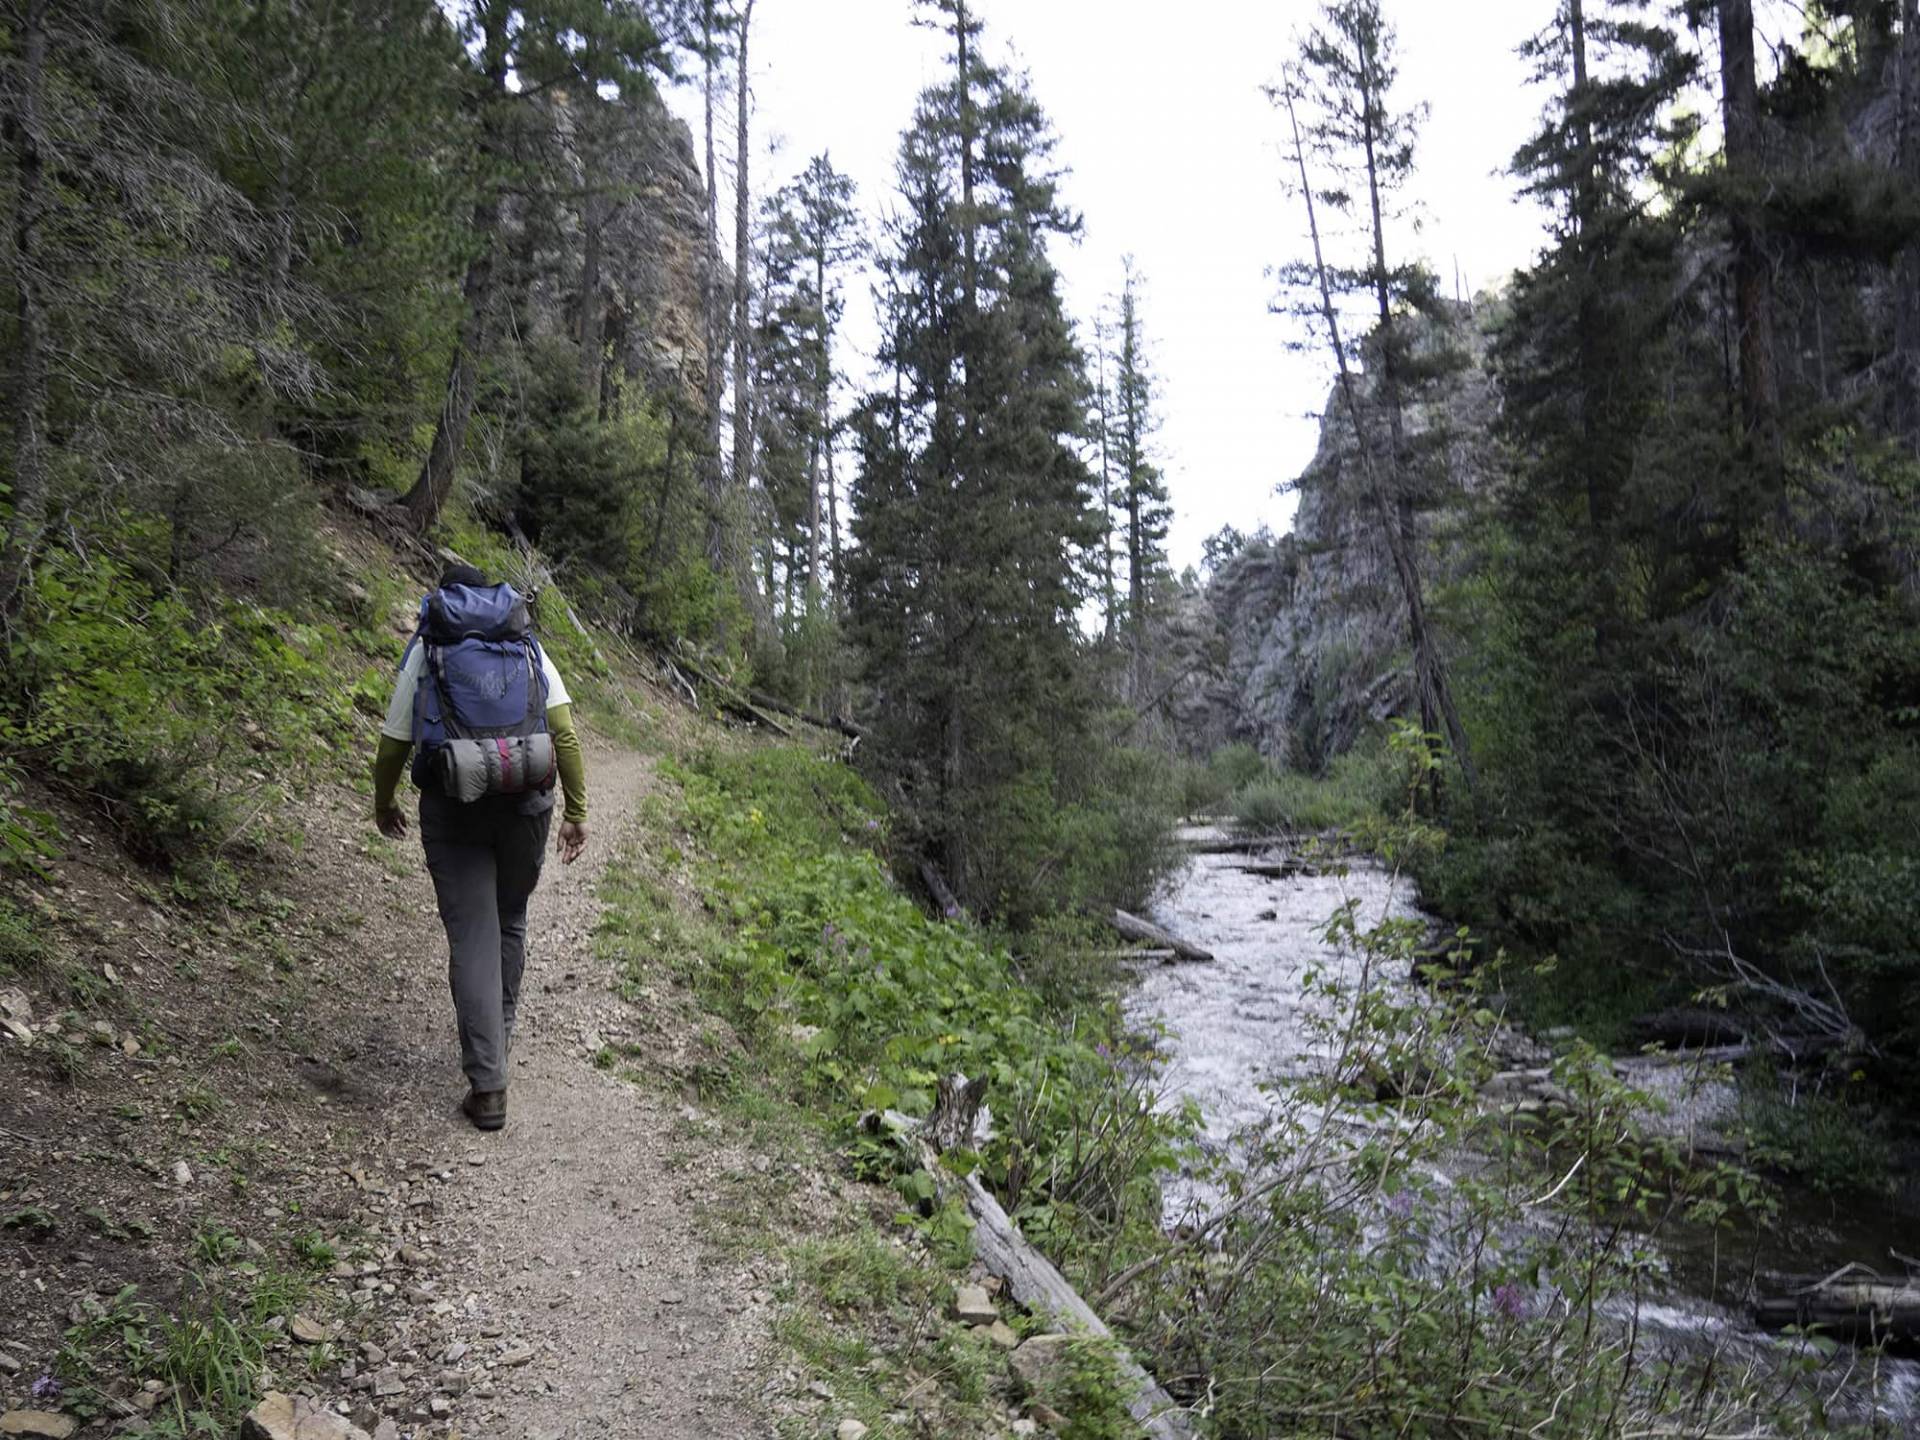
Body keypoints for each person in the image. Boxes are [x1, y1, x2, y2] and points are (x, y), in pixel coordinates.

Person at [370, 564, 589, 1131]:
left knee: (472, 932)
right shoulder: (524, 647)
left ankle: (489, 1086)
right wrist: (577, 813)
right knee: (510, 916)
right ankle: (499, 1037)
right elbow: (563, 733)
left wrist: (384, 802)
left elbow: (395, 740)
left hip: (454, 806)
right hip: (527, 805)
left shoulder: (432, 648)